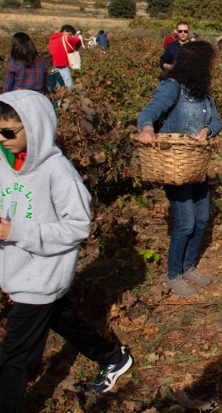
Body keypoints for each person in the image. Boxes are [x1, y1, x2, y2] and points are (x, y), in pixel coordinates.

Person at [0, 92, 134, 411]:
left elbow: (78, 226)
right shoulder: (4, 160)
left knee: (13, 358)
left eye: (8, 132)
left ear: (33, 128)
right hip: (19, 270)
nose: (2, 138)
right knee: (62, 318)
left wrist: (16, 231)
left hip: (43, 274)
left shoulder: (57, 171)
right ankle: (113, 358)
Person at [137, 42, 222, 297]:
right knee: (185, 223)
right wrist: (147, 129)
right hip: (175, 167)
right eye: (209, 63)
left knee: (203, 219)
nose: (212, 67)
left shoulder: (203, 92)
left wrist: (207, 130)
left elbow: (216, 121)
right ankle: (173, 275)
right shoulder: (171, 87)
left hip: (195, 166)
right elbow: (148, 112)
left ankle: (188, 267)